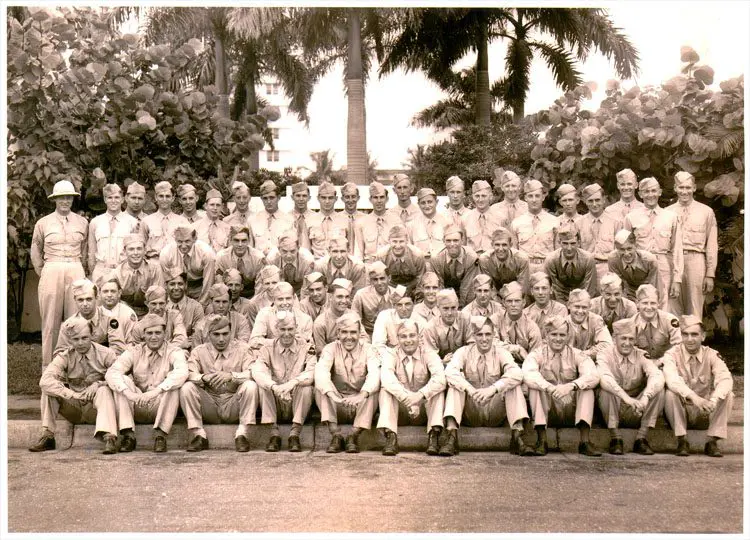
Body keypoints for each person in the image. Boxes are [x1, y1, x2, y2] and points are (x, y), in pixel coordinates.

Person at [441, 316, 533, 456]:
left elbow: (516, 372)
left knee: (513, 385)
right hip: (471, 410)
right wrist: (470, 390)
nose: (484, 339)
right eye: (480, 334)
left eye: (488, 334)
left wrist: (493, 389)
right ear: (473, 336)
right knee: (456, 386)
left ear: (494, 334)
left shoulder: (501, 352)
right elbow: (450, 372)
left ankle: (518, 437)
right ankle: (451, 438)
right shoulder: (463, 352)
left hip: (494, 409)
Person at [30, 319, 119, 454]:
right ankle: (48, 436)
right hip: (74, 407)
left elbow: (122, 378)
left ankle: (109, 437)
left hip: (96, 409)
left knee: (104, 391)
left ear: (92, 335)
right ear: (70, 340)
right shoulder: (65, 356)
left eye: (85, 338)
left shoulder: (107, 354)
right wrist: (72, 394)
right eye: (76, 339)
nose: (81, 343)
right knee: (48, 391)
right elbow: (45, 380)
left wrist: (99, 384)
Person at [106, 314, 189, 453]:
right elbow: (112, 372)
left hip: (160, 403)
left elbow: (182, 372)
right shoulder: (134, 351)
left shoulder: (174, 351)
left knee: (173, 384)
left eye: (158, 333)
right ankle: (128, 435)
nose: (154, 337)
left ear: (165, 334)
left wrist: (156, 391)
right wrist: (129, 394)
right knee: (122, 381)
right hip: (137, 402)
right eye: (149, 333)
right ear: (143, 335)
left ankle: (160, 436)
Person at [522, 315, 602, 457]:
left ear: (568, 336)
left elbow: (593, 375)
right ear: (546, 336)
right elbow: (528, 374)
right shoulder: (537, 354)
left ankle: (584, 442)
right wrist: (550, 388)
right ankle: (542, 441)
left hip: (570, 408)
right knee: (535, 388)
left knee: (587, 389)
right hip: (549, 408)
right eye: (554, 334)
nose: (558, 339)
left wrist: (571, 386)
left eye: (562, 335)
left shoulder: (577, 354)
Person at [31, 179, 89, 368]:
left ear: (73, 199)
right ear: (55, 199)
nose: (65, 201)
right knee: (50, 322)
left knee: (77, 319)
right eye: (61, 198)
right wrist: (45, 272)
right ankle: (49, 369)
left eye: (69, 197)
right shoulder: (43, 223)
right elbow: (36, 249)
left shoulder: (82, 222)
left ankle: (75, 369)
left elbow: (86, 250)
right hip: (52, 268)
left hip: (75, 267)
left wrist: (81, 271)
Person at [179, 315, 258, 452]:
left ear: (231, 333)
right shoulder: (199, 351)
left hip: (233, 403)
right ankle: (199, 435)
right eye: (216, 334)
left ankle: (242, 435)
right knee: (187, 388)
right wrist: (203, 378)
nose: (221, 339)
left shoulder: (243, 349)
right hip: (210, 404)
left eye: (225, 334)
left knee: (251, 386)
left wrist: (232, 376)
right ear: (209, 335)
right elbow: (188, 373)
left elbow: (253, 372)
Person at [662, 315, 734, 457]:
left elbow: (725, 378)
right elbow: (672, 380)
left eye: (694, 334)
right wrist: (695, 398)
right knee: (670, 393)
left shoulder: (712, 354)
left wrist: (713, 400)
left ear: (703, 336)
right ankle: (682, 440)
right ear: (681, 336)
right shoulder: (671, 354)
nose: (689, 339)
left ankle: (712, 442)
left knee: (728, 394)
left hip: (704, 411)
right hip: (681, 410)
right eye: (685, 334)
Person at [597, 319, 665, 455]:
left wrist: (645, 397)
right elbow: (604, 377)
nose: (627, 343)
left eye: (631, 339)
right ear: (614, 338)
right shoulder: (605, 353)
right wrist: (626, 398)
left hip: (636, 408)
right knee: (607, 389)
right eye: (623, 338)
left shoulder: (641, 355)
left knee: (658, 390)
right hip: (613, 407)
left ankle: (641, 438)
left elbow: (656, 375)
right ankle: (615, 438)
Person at [378, 320, 446, 456]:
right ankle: (391, 437)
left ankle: (434, 435)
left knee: (437, 391)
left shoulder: (429, 353)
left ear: (419, 337)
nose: (408, 340)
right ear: (397, 339)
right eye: (403, 336)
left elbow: (440, 379)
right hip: (401, 409)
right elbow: (387, 379)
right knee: (385, 390)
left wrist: (419, 396)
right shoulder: (391, 354)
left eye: (412, 335)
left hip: (423, 409)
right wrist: (409, 399)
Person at [314, 313, 381, 453]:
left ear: (359, 333)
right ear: (338, 333)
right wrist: (333, 396)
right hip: (337, 402)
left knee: (374, 390)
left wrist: (361, 396)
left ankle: (353, 435)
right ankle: (336, 435)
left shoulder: (369, 349)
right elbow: (321, 373)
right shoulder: (330, 349)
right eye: (344, 332)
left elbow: (375, 374)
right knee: (321, 388)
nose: (349, 337)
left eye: (353, 332)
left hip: (360, 403)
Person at [252, 312, 316, 452]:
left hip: (298, 403)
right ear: (276, 329)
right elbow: (257, 371)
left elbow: (311, 372)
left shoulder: (307, 347)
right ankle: (274, 434)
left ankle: (294, 434)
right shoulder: (267, 348)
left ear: (296, 328)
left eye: (290, 329)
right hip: (276, 402)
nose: (287, 333)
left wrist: (292, 383)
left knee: (306, 388)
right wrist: (274, 387)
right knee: (263, 387)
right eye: (282, 329)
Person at [623, 177, 683, 311]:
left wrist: (677, 280)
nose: (650, 195)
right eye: (646, 191)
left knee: (663, 307)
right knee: (641, 304)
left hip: (663, 266)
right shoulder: (631, 217)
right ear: (640, 194)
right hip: (640, 266)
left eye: (654, 191)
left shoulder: (671, 217)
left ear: (660, 192)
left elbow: (677, 249)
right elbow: (624, 248)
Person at [666, 171, 718, 316]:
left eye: (688, 187)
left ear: (694, 188)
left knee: (695, 308)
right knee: (672, 307)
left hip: (696, 261)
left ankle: (694, 337)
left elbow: (712, 245)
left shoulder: (706, 212)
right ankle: (676, 339)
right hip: (673, 262)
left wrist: (710, 273)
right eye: (681, 187)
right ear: (675, 188)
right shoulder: (666, 212)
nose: (684, 191)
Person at [55, 279, 126, 356]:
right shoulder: (68, 325)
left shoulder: (110, 319)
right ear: (75, 300)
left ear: (96, 298)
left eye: (89, 299)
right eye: (80, 300)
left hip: (105, 363)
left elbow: (118, 348)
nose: (85, 304)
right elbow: (60, 353)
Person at [88, 183, 139, 284]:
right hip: (101, 270)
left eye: (117, 197)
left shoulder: (132, 222)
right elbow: (91, 252)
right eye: (110, 197)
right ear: (105, 199)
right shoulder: (95, 222)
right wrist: (93, 271)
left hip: (123, 270)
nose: (113, 201)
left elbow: (136, 251)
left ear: (123, 199)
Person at [159, 224, 216, 306]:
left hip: (199, 287)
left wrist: (202, 304)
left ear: (194, 239)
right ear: (175, 240)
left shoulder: (206, 253)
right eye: (180, 241)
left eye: (187, 241)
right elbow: (165, 283)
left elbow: (208, 282)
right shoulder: (166, 254)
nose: (183, 246)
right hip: (177, 288)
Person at [510, 179, 558, 274]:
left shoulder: (554, 221)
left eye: (537, 196)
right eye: (530, 196)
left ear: (543, 197)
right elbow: (514, 253)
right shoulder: (517, 223)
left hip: (547, 268)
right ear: (525, 198)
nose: (534, 200)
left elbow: (558, 252)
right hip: (525, 268)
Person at [625, 284, 681, 366]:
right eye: (645, 303)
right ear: (637, 304)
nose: (649, 307)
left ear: (658, 303)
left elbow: (678, 347)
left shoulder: (670, 321)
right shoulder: (631, 324)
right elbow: (628, 350)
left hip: (667, 364)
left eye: (653, 303)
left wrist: (661, 361)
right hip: (641, 366)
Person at [543, 222, 598, 302]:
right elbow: (552, 288)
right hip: (559, 298)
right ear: (559, 243)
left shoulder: (588, 259)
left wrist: (580, 304)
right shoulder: (551, 260)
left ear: (579, 243)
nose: (569, 248)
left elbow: (590, 288)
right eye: (565, 243)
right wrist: (561, 306)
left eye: (573, 243)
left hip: (582, 296)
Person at [311, 278, 369, 354]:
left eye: (347, 297)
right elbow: (320, 351)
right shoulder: (321, 322)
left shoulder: (354, 316)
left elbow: (365, 340)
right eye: (340, 297)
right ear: (331, 297)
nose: (344, 301)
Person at [428, 225, 480, 307]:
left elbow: (467, 287)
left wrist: (462, 307)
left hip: (465, 292)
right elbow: (439, 285)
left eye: (456, 240)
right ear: (443, 241)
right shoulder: (436, 258)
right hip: (444, 291)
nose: (452, 244)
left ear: (462, 241)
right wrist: (445, 304)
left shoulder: (471, 257)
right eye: (448, 241)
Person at [249, 282, 313, 349]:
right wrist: (281, 342)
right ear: (274, 300)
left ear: (294, 298)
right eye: (280, 299)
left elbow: (310, 346)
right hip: (271, 355)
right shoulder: (264, 314)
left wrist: (304, 340)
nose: (284, 303)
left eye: (288, 298)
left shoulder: (305, 319)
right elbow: (253, 342)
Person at [577, 183, 621, 281]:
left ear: (604, 200)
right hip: (586, 270)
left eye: (597, 200)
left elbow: (619, 251)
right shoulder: (578, 224)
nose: (594, 204)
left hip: (609, 269)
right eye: (590, 201)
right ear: (585, 202)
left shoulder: (615, 222)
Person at [114, 234, 164, 318]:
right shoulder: (117, 273)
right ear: (125, 251)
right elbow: (114, 300)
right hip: (125, 314)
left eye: (139, 249)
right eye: (131, 249)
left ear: (145, 250)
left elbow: (160, 297)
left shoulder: (155, 269)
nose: (135, 253)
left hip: (151, 312)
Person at [422, 289, 475, 364]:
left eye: (453, 308)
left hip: (465, 362)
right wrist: (442, 362)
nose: (450, 313)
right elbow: (430, 357)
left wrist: (460, 358)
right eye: (445, 308)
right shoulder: (430, 328)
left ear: (457, 306)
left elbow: (473, 345)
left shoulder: (466, 319)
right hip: (441, 367)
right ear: (438, 308)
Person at [496, 281, 542, 363]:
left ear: (523, 302)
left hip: (524, 366)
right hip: (499, 364)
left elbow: (536, 356)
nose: (513, 305)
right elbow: (490, 343)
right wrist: (516, 349)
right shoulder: (495, 320)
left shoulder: (531, 327)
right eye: (509, 301)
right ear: (503, 303)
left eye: (517, 301)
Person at [608, 229, 660, 302]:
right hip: (629, 292)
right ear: (616, 248)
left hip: (650, 291)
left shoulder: (649, 260)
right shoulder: (613, 259)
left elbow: (654, 286)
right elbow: (618, 286)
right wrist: (627, 303)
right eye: (622, 250)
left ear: (636, 246)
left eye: (629, 248)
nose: (626, 253)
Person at [215, 225, 266, 298]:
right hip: (229, 293)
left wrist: (251, 305)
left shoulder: (258, 258)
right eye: (236, 240)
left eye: (244, 240)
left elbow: (259, 289)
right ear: (230, 240)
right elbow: (220, 285)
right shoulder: (221, 257)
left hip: (251, 293)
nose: (240, 244)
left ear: (249, 241)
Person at [141, 181, 189, 260]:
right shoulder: (146, 221)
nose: (164, 199)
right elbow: (141, 246)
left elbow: (188, 246)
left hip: (175, 263)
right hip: (153, 262)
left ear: (173, 198)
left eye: (167, 196)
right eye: (161, 196)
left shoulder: (182, 222)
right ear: (156, 197)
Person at [354, 181, 401, 262]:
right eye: (375, 197)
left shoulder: (396, 221)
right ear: (370, 200)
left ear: (387, 199)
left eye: (382, 197)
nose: (379, 201)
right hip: (369, 265)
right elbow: (359, 252)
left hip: (390, 265)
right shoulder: (361, 223)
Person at [376, 224, 426, 299]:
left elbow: (420, 278)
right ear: (389, 241)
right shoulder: (382, 256)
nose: (398, 246)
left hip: (413, 286)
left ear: (407, 241)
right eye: (394, 241)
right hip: (391, 286)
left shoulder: (417, 255)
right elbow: (379, 278)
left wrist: (408, 290)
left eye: (401, 241)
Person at [478, 227, 530, 296]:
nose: (501, 249)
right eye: (497, 245)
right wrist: (498, 304)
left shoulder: (522, 259)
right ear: (492, 245)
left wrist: (511, 301)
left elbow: (522, 287)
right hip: (495, 297)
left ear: (510, 245)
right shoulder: (485, 260)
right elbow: (488, 287)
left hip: (516, 296)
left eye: (504, 245)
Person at [350, 261, 397, 337]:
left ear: (389, 278)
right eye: (375, 279)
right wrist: (364, 337)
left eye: (382, 278)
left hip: (392, 333)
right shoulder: (361, 295)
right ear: (371, 281)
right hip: (369, 333)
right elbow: (355, 319)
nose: (379, 283)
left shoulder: (398, 294)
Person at [566, 289, 613, 361]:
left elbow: (607, 345)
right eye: (577, 307)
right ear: (569, 305)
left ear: (590, 307)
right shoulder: (563, 323)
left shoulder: (596, 320)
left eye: (584, 307)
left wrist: (585, 354)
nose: (580, 311)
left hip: (591, 361)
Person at [164, 266, 204, 348]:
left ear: (185, 285)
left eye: (180, 284)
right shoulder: (160, 305)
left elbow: (197, 337)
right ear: (166, 285)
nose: (176, 288)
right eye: (172, 284)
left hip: (187, 350)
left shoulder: (196, 307)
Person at [265, 232, 315, 297]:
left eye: (292, 251)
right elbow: (269, 287)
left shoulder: (308, 260)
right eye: (284, 251)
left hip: (301, 290)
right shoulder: (271, 259)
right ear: (278, 249)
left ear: (298, 248)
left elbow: (307, 288)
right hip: (278, 291)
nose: (288, 256)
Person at [307, 181, 349, 259]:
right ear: (318, 198)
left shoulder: (345, 220)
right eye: (323, 198)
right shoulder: (309, 220)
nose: (327, 201)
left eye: (330, 198)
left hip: (339, 262)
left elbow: (350, 248)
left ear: (336, 199)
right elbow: (306, 251)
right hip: (317, 263)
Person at [461, 180, 503, 255]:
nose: (480, 200)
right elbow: (462, 246)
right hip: (472, 262)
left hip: (493, 261)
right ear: (473, 197)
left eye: (484, 196)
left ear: (490, 197)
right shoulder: (465, 218)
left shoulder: (500, 218)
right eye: (477, 196)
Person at [253, 180, 293, 255]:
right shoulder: (253, 220)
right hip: (259, 264)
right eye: (265, 198)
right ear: (261, 199)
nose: (268, 201)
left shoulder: (289, 220)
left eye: (272, 197)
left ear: (278, 197)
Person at [523, 272, 569, 338]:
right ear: (532, 291)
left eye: (544, 288)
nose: (540, 292)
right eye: (536, 288)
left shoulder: (560, 309)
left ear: (551, 290)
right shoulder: (526, 314)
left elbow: (561, 336)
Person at [410, 187, 452, 259]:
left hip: (441, 266)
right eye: (423, 203)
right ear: (418, 204)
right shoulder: (411, 225)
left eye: (430, 202)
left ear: (436, 202)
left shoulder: (447, 222)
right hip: (420, 266)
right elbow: (409, 250)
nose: (427, 206)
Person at [97, 273, 139, 342]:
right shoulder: (96, 313)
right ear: (99, 293)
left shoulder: (128, 313)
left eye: (113, 291)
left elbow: (133, 341)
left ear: (119, 293)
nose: (109, 295)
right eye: (105, 291)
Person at [195, 188, 231, 253]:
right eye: (212, 205)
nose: (215, 208)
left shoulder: (227, 229)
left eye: (218, 205)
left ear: (222, 207)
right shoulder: (195, 227)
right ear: (206, 206)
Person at [339, 182, 367, 256]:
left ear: (358, 198)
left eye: (353, 196)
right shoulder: (336, 219)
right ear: (342, 199)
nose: (350, 200)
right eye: (347, 197)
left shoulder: (366, 219)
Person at [290, 181, 317, 252]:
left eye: (304, 196)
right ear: (292, 197)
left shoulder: (316, 218)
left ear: (309, 198)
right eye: (298, 196)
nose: (301, 199)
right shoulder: (286, 218)